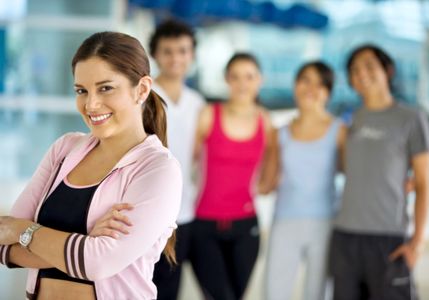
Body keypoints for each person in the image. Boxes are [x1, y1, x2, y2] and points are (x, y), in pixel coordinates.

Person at [0, 31, 182, 300]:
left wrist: (22, 230)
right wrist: (84, 242)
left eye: (105, 88)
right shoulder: (64, 150)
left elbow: (97, 263)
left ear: (141, 89)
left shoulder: (157, 169)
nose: (91, 104)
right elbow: (4, 247)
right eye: (81, 91)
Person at [330, 44, 429, 300]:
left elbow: (423, 183)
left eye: (369, 66)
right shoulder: (347, 121)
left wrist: (417, 242)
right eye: (354, 70)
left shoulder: (411, 118)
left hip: (389, 238)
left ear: (388, 70)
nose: (361, 73)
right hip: (346, 236)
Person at [190, 53, 275, 300]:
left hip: (245, 225)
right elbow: (187, 163)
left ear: (259, 80)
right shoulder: (209, 114)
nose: (242, 83)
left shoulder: (265, 121)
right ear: (227, 80)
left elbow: (272, 164)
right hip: (204, 223)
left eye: (249, 77)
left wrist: (265, 184)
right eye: (235, 77)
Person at [263, 61, 346, 300]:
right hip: (285, 222)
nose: (311, 88)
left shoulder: (340, 131)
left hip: (326, 223)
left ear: (328, 92)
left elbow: (357, 173)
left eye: (320, 83)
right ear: (295, 85)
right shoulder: (280, 133)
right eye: (305, 80)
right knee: (274, 293)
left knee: (318, 294)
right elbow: (267, 184)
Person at [149, 19, 205, 300]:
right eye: (168, 51)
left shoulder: (198, 102)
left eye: (182, 51)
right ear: (155, 55)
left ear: (192, 55)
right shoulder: (143, 96)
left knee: (171, 288)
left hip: (185, 212)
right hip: (147, 209)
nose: (175, 58)